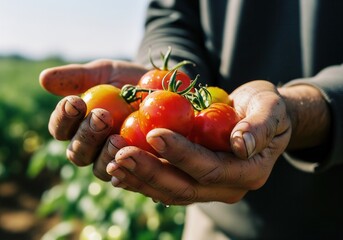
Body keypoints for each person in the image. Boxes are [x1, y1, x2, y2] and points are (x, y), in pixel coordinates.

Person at [40, 0, 343, 239]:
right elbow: (172, 15)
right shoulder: (180, 108)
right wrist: (172, 75)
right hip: (217, 226)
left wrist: (309, 108)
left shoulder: (206, 115)